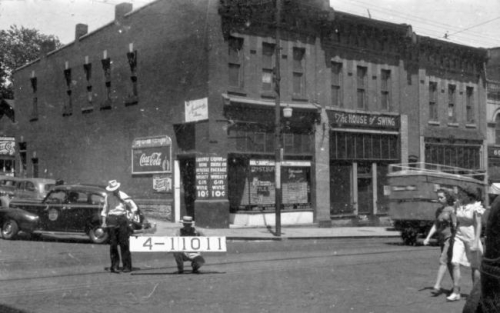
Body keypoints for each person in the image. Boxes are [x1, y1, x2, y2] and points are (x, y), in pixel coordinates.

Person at [447, 185, 485, 302]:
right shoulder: (458, 204)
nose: (459, 195)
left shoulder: (475, 206)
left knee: (475, 266)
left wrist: (475, 241)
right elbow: (453, 213)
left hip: (471, 236)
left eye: (462, 193)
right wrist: (454, 222)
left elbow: (478, 224)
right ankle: (456, 291)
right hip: (459, 235)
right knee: (455, 262)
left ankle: (476, 294)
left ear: (469, 195)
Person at [423, 189, 457, 295]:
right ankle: (456, 286)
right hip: (442, 239)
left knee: (443, 260)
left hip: (450, 239)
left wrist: (456, 240)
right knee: (450, 263)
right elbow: (436, 225)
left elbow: (455, 226)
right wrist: (428, 237)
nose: (439, 199)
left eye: (441, 197)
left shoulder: (451, 210)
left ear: (448, 197)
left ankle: (437, 286)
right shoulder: (439, 210)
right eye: (438, 197)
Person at [101, 180, 138, 273]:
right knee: (113, 244)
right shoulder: (108, 197)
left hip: (122, 218)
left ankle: (127, 266)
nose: (114, 190)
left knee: (124, 243)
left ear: (118, 187)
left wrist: (131, 217)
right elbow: (105, 210)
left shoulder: (124, 195)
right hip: (111, 218)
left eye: (115, 189)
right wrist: (103, 222)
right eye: (112, 189)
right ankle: (114, 266)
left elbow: (134, 207)